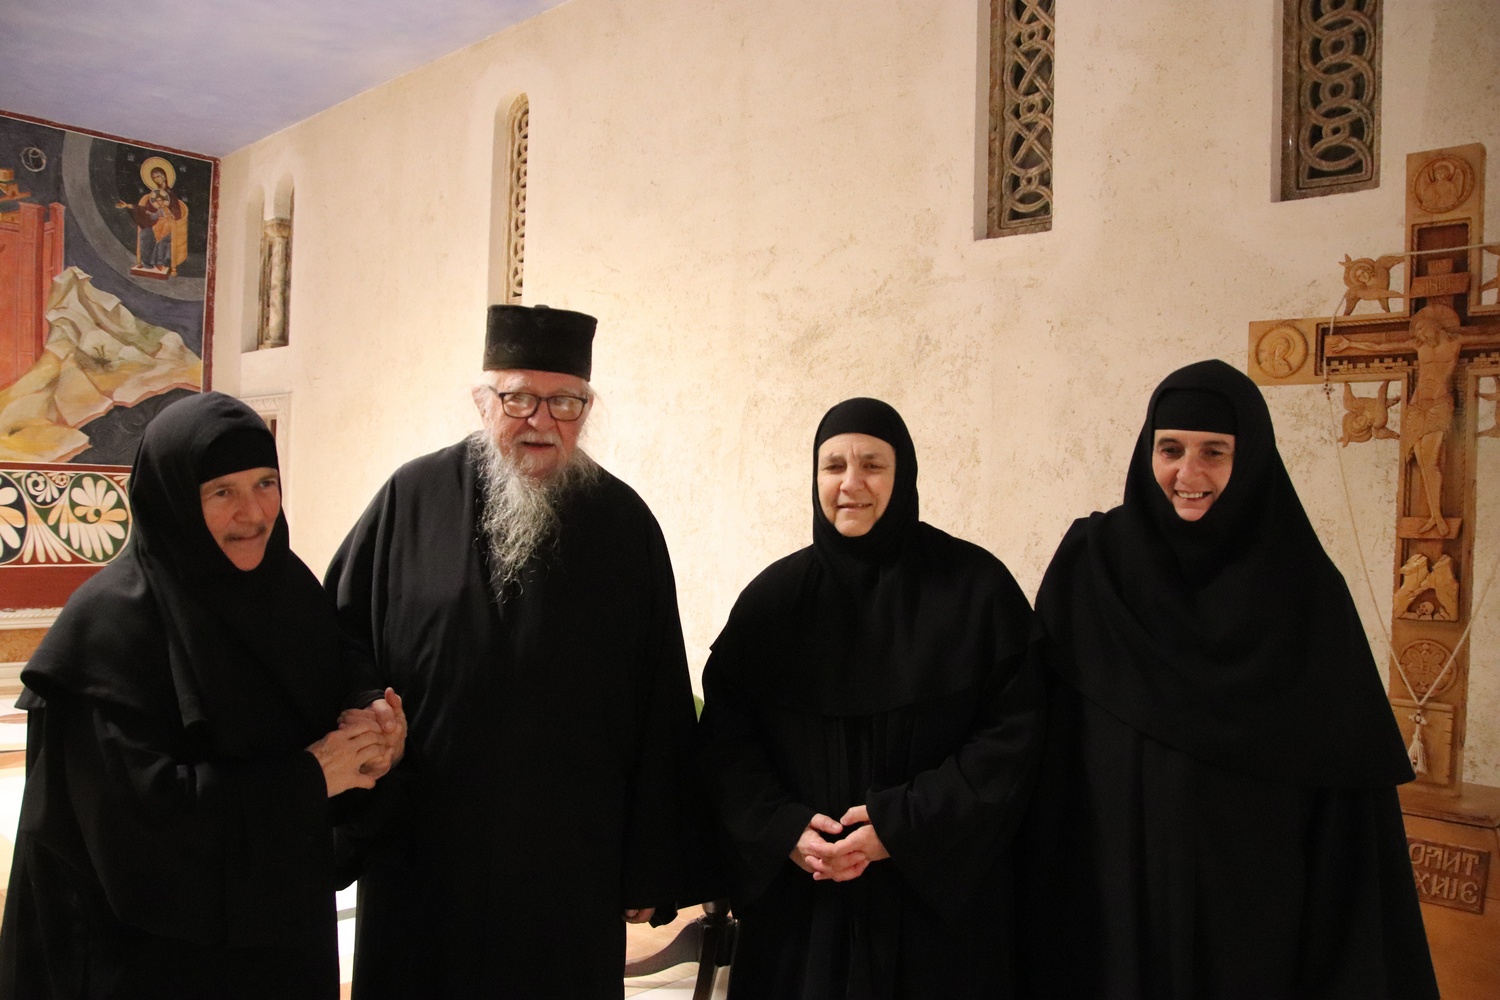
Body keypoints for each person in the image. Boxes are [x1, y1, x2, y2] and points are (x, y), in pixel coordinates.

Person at [1016, 359, 1438, 1000]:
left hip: (1256, 915)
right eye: (1171, 449)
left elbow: (1348, 809)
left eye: (1215, 451)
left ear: (1252, 459)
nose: (1188, 474)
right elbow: (1034, 731)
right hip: (1109, 897)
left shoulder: (1305, 594)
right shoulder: (1092, 566)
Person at [327, 303, 710, 999]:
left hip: (567, 859)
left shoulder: (625, 526)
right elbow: (339, 638)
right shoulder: (409, 500)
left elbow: (659, 698)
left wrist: (648, 865)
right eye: (519, 398)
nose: (542, 421)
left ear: (587, 408)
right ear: (483, 401)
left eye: (565, 401)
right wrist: (367, 718)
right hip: (423, 847)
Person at [0, 391, 404, 999]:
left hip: (278, 945)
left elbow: (336, 685)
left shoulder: (288, 592)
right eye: (221, 492)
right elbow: (134, 835)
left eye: (265, 483)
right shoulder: (109, 628)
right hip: (147, 961)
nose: (253, 513)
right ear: (174, 501)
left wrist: (374, 732)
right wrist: (309, 779)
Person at [697, 398, 1043, 999]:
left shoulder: (976, 591)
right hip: (803, 907)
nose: (850, 484)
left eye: (872, 466)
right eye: (833, 466)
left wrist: (902, 827)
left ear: (903, 475)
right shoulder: (771, 605)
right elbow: (726, 745)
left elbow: (1013, 740)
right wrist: (784, 829)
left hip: (938, 910)